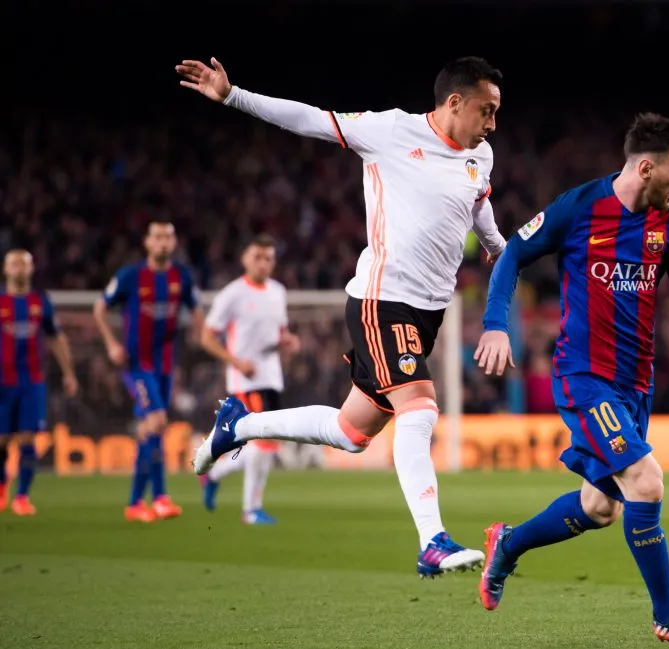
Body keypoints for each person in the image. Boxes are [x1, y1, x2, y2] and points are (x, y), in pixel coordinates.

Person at [176, 55, 506, 576]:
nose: (492, 124)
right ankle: (432, 541)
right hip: (382, 299)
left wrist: (499, 249)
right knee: (419, 410)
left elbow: (479, 210)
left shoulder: (479, 157)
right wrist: (232, 94)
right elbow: (308, 117)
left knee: (352, 432)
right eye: (486, 111)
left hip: (427, 315)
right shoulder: (389, 131)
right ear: (454, 103)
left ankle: (238, 426)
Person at [473, 113, 669, 647]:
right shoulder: (580, 207)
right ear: (645, 167)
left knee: (599, 507)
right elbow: (514, 253)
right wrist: (497, 324)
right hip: (584, 377)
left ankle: (509, 544)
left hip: (636, 385)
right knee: (647, 480)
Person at [94, 222, 204, 523]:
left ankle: (146, 501)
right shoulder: (131, 276)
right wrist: (111, 344)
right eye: (157, 237)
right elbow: (99, 308)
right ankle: (148, 500)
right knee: (156, 421)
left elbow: (196, 309)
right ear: (147, 242)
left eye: (168, 236)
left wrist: (199, 333)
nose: (163, 242)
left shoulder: (180, 276)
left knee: (152, 428)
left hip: (166, 366)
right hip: (137, 364)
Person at [199, 235, 300, 525]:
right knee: (264, 442)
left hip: (271, 378)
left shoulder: (278, 291)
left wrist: (288, 342)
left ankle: (214, 474)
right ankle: (251, 510)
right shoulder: (232, 294)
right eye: (257, 256)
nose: (264, 263)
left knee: (262, 443)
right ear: (245, 259)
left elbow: (278, 334)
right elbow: (207, 336)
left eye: (269, 258)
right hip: (245, 381)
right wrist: (237, 362)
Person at [0, 250, 78, 515]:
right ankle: (2, 486)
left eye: (24, 263)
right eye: (14, 263)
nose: (19, 268)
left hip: (32, 381)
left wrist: (69, 372)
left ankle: (22, 496)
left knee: (27, 437)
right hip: (2, 381)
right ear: (6, 269)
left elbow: (56, 337)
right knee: (1, 440)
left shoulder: (40, 301)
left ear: (31, 269)